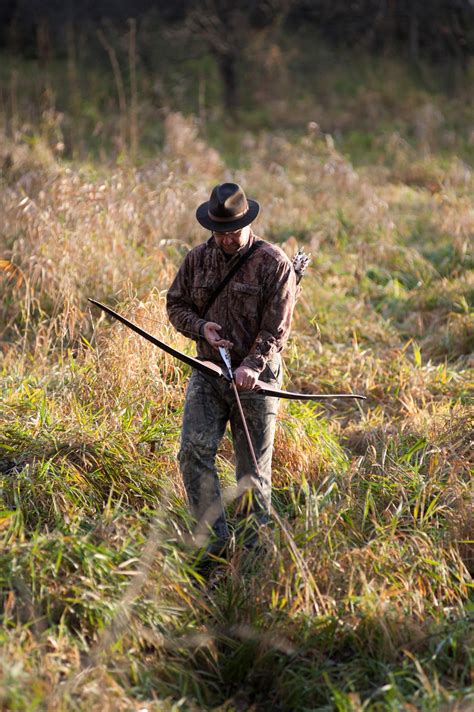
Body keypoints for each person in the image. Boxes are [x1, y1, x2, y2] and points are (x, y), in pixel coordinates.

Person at [166, 182, 297, 551]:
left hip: (256, 382)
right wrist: (200, 327)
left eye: (233, 232)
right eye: (219, 233)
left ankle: (254, 557)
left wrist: (253, 366)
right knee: (193, 454)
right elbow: (176, 305)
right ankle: (215, 547)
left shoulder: (274, 263)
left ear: (248, 224)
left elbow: (277, 328)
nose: (226, 240)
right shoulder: (196, 259)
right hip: (208, 373)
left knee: (252, 472)